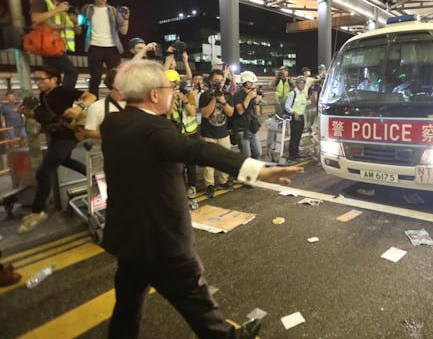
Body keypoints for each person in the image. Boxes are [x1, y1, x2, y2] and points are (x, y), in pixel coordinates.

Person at [100, 60, 302, 339]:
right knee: (199, 307)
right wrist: (257, 170)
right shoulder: (155, 129)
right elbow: (198, 151)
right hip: (162, 241)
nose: (174, 92)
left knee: (127, 309)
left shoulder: (113, 123)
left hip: (127, 237)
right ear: (154, 95)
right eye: (169, 87)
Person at [17, 65, 96, 233]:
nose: (37, 83)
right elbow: (45, 117)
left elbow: (91, 96)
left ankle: (38, 211)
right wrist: (27, 112)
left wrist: (78, 108)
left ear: (54, 79)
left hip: (67, 137)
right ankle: (94, 179)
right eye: (35, 80)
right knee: (66, 161)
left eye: (41, 79)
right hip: (55, 138)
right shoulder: (43, 96)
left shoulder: (63, 91)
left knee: (43, 172)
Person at [30, 0, 80, 89]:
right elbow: (35, 19)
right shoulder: (42, 1)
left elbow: (78, 31)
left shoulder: (68, 7)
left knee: (53, 79)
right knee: (72, 73)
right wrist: (58, 9)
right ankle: (63, 98)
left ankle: (52, 101)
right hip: (49, 47)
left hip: (60, 48)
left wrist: (75, 22)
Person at [80, 0, 130, 97]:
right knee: (95, 79)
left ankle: (118, 99)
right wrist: (76, 20)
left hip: (112, 47)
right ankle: (92, 102)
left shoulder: (113, 10)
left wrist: (126, 18)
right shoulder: (87, 9)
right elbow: (80, 24)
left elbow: (123, 31)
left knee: (117, 77)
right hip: (94, 46)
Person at [199, 69, 235, 197]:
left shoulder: (227, 95)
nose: (218, 84)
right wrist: (214, 99)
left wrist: (223, 100)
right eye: (215, 81)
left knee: (225, 158)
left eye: (220, 81)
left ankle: (223, 181)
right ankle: (210, 185)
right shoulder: (205, 96)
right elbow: (205, 114)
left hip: (223, 133)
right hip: (208, 133)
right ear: (210, 81)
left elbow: (230, 113)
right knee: (209, 161)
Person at [166, 69, 199, 199]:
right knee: (178, 164)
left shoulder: (188, 94)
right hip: (175, 134)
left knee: (191, 164)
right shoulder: (165, 96)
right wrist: (171, 100)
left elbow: (192, 112)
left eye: (170, 82)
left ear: (176, 83)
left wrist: (183, 99)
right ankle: (179, 187)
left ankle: (192, 186)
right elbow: (166, 112)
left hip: (190, 133)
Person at [82, 69, 126, 140]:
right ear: (113, 84)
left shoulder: (140, 104)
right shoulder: (96, 107)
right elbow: (89, 132)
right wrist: (114, 136)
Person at [233, 71, 263, 159]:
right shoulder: (238, 95)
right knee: (246, 156)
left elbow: (256, 112)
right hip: (242, 128)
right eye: (252, 82)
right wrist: (248, 97)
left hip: (251, 128)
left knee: (258, 152)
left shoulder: (252, 94)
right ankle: (246, 172)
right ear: (246, 82)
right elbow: (240, 111)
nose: (254, 84)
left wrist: (257, 102)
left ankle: (255, 171)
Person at [285, 76, 307, 161]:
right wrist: (294, 113)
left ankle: (296, 153)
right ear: (297, 83)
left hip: (301, 116)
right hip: (295, 117)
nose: (303, 85)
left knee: (299, 136)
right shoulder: (293, 93)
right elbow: (287, 106)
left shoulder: (302, 93)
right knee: (294, 136)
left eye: (304, 83)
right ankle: (292, 155)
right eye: (301, 83)